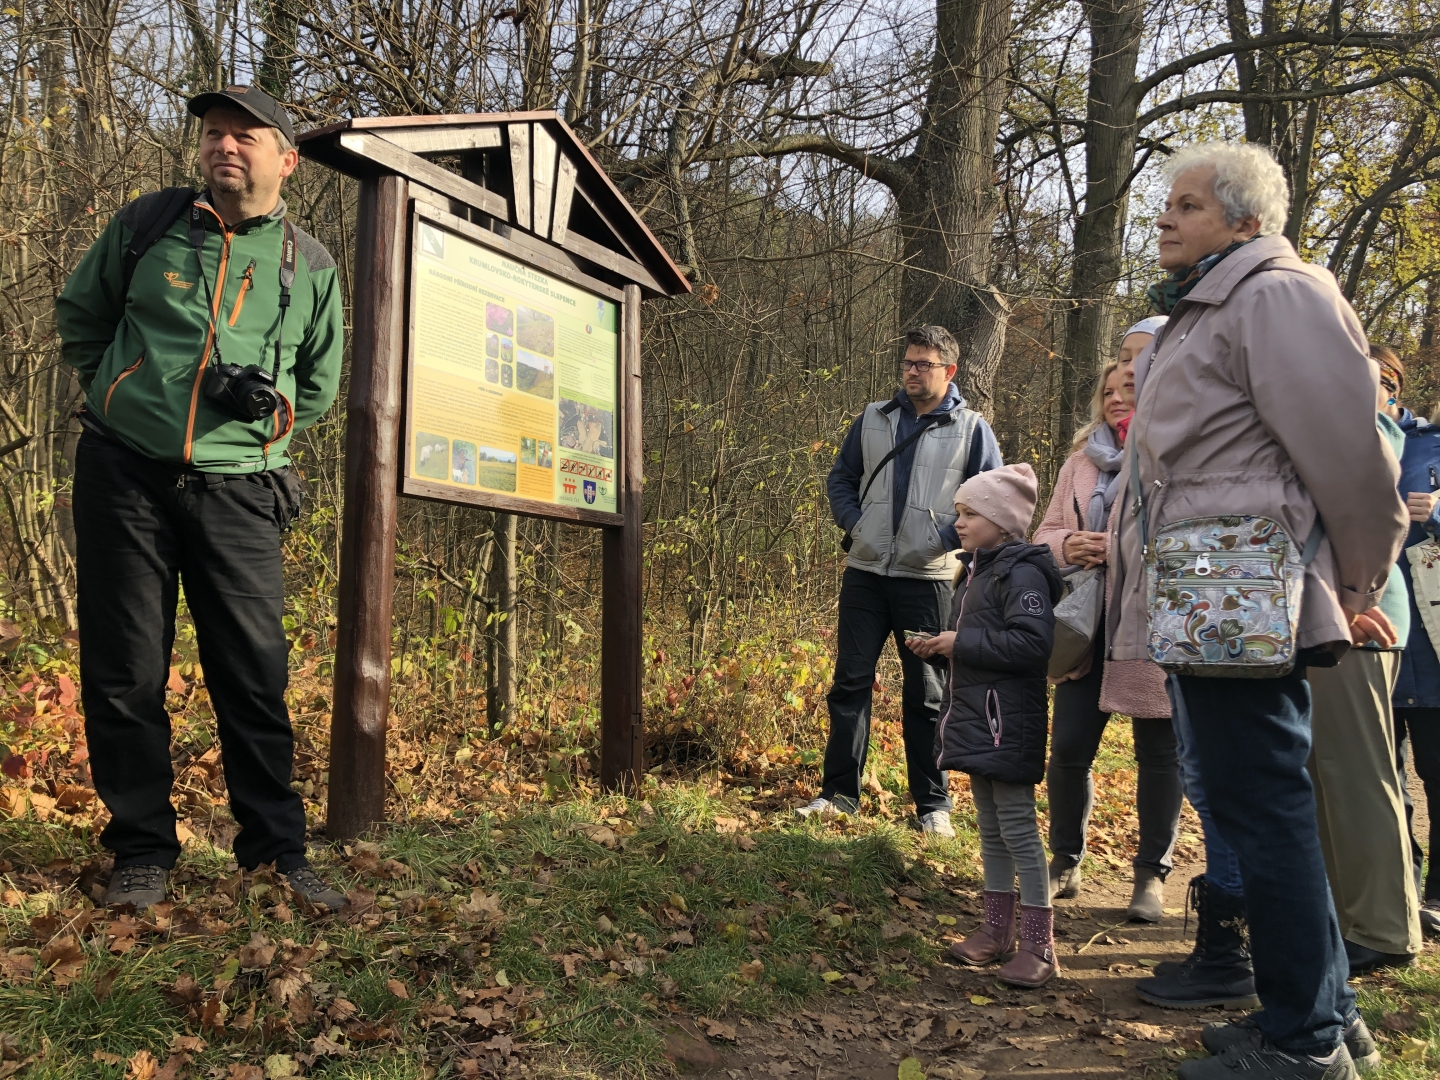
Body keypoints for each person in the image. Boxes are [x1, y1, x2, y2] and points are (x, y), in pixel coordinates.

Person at [1109, 142, 1404, 1080]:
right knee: (1259, 805)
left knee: (1264, 810)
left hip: (1246, 597)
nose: (1164, 218)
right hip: (1208, 600)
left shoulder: (1277, 295)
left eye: (1187, 205)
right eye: (1166, 203)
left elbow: (1356, 459)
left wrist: (1353, 591)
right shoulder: (1203, 310)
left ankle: (1303, 1044)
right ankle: (1325, 1012)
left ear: (1245, 221)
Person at [56, 85, 347, 912]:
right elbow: (82, 318)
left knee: (253, 676)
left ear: (285, 159)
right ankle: (142, 851)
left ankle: (276, 855)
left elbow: (318, 387)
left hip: (243, 491)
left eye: (245, 135)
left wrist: (259, 418)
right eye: (214, 133)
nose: (225, 145)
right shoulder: (149, 225)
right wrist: (127, 392)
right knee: (125, 674)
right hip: (123, 475)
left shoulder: (312, 266)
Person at [805, 326, 1002, 834]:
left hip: (930, 579)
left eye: (924, 364)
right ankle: (838, 796)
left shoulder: (972, 428)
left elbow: (990, 502)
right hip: (866, 574)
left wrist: (942, 538)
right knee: (850, 683)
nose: (913, 371)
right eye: (909, 362)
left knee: (928, 692)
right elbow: (841, 478)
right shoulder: (873, 418)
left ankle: (932, 806)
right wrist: (855, 523)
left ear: (949, 371)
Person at [1034, 330, 1182, 923]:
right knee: (1068, 749)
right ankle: (1065, 859)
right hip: (1084, 625)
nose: (1117, 397)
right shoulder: (1080, 462)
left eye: (1129, 387)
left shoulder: (1172, 452)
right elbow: (1041, 536)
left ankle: (1152, 874)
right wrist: (1070, 543)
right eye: (1109, 389)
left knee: (1158, 753)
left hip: (1149, 625)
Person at [911, 463, 1064, 986]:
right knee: (992, 830)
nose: (959, 522)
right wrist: (939, 647)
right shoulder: (974, 570)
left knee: (1018, 828)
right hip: (977, 719)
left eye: (970, 512)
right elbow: (977, 647)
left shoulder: (1021, 573)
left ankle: (1040, 947)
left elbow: (1032, 645)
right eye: (958, 512)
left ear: (1002, 521)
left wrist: (962, 644)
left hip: (1008, 720)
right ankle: (996, 932)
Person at [1303, 348, 1421, 974]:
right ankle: (1351, 916)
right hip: (1332, 617)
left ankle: (1382, 926)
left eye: (1381, 382)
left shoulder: (1371, 433)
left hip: (1362, 622)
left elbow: (1376, 521)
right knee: (1328, 775)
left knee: (1357, 774)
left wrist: (1354, 598)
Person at [1384, 347, 1440, 937]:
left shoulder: (1431, 445)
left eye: (1381, 381)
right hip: (1376, 638)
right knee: (1384, 774)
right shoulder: (1337, 444)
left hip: (1434, 640)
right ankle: (1404, 880)